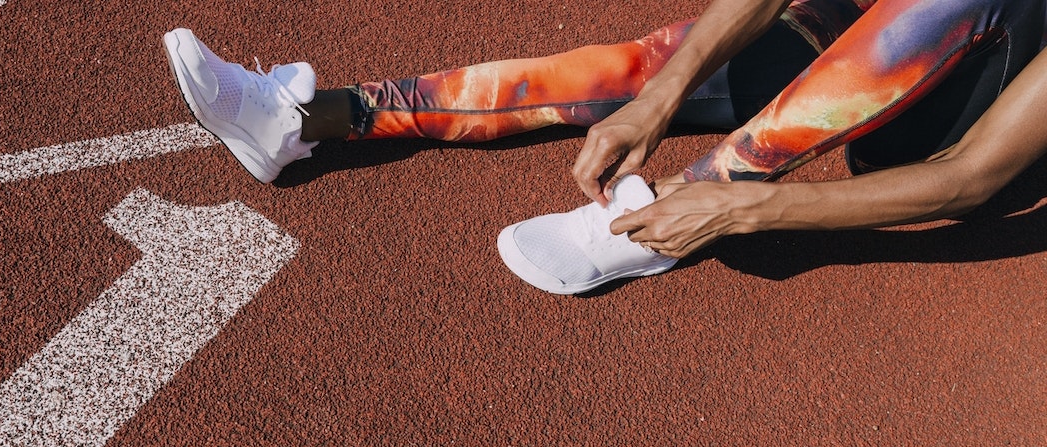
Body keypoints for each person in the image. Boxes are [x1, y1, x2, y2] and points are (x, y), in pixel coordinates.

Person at [162, 0, 1047, 294]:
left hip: (967, 117)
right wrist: (659, 97)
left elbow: (971, 178)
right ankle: (305, 122)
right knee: (626, 72)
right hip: (884, 29)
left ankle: (661, 217)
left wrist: (746, 207)